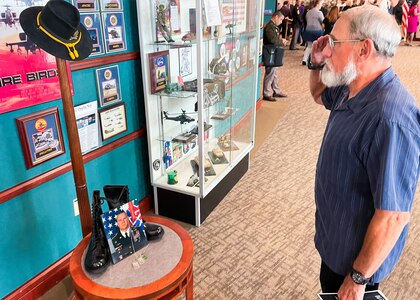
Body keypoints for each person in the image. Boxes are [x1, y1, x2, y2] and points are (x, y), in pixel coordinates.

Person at [308, 5, 419, 299]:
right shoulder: (352, 82)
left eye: (334, 42)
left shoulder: (392, 119)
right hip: (335, 242)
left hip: (354, 265)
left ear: (363, 49)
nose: (327, 50)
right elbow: (319, 95)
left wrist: (357, 279)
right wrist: (317, 63)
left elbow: (393, 216)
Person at [263, 11, 287, 101]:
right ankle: (266, 93)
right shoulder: (270, 26)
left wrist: (280, 40)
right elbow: (272, 39)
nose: (281, 22)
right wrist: (282, 41)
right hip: (270, 53)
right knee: (270, 73)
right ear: (276, 17)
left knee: (274, 73)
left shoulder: (274, 27)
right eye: (280, 19)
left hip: (274, 52)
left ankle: (276, 91)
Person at [302, 0, 324, 65]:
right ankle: (313, 60)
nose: (321, 5)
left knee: (309, 46)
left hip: (308, 31)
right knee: (316, 46)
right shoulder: (319, 13)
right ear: (317, 4)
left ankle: (305, 59)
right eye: (321, 4)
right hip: (317, 31)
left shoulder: (308, 12)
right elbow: (322, 21)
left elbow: (306, 20)